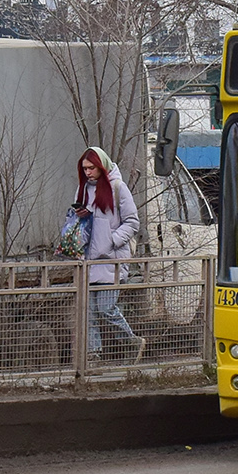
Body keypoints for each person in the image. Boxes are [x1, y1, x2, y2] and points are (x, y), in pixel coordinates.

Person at [74, 147, 145, 364]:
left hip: (112, 260)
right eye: (84, 168)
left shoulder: (117, 188)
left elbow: (132, 222)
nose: (87, 172)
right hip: (88, 259)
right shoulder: (82, 190)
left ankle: (131, 341)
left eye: (91, 168)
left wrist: (112, 240)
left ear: (101, 166)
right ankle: (93, 356)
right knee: (88, 313)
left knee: (105, 307)